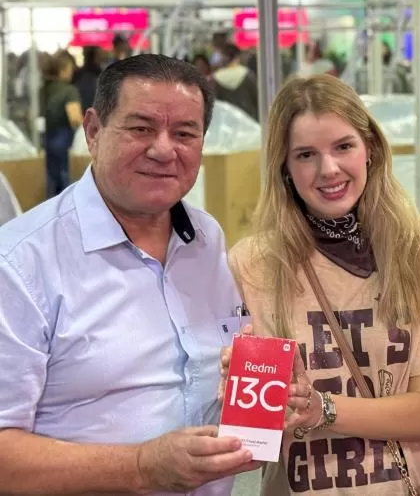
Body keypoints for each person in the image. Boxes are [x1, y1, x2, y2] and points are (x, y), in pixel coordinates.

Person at [0, 54, 256, 494]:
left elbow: (223, 373)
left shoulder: (206, 239)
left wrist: (272, 392)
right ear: (93, 131)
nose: (163, 149)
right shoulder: (20, 264)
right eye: (140, 128)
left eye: (184, 134)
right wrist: (140, 467)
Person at [225, 74, 420, 494]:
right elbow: (254, 443)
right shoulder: (253, 265)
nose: (329, 169)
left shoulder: (419, 250)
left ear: (370, 148)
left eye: (343, 146)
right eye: (306, 155)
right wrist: (238, 404)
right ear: (285, 168)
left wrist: (322, 408)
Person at [40, 50, 82, 198]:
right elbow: (75, 118)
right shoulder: (69, 91)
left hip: (44, 141)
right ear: (63, 69)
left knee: (50, 185)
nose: (72, 71)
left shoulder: (42, 89)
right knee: (65, 186)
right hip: (63, 143)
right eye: (70, 68)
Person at [212, 42, 259, 121]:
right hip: (248, 120)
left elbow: (214, 106)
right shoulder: (247, 74)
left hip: (226, 122)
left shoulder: (215, 78)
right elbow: (257, 100)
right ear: (238, 56)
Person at [73, 45, 103, 112]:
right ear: (94, 57)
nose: (102, 58)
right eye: (100, 55)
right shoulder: (99, 75)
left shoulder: (78, 73)